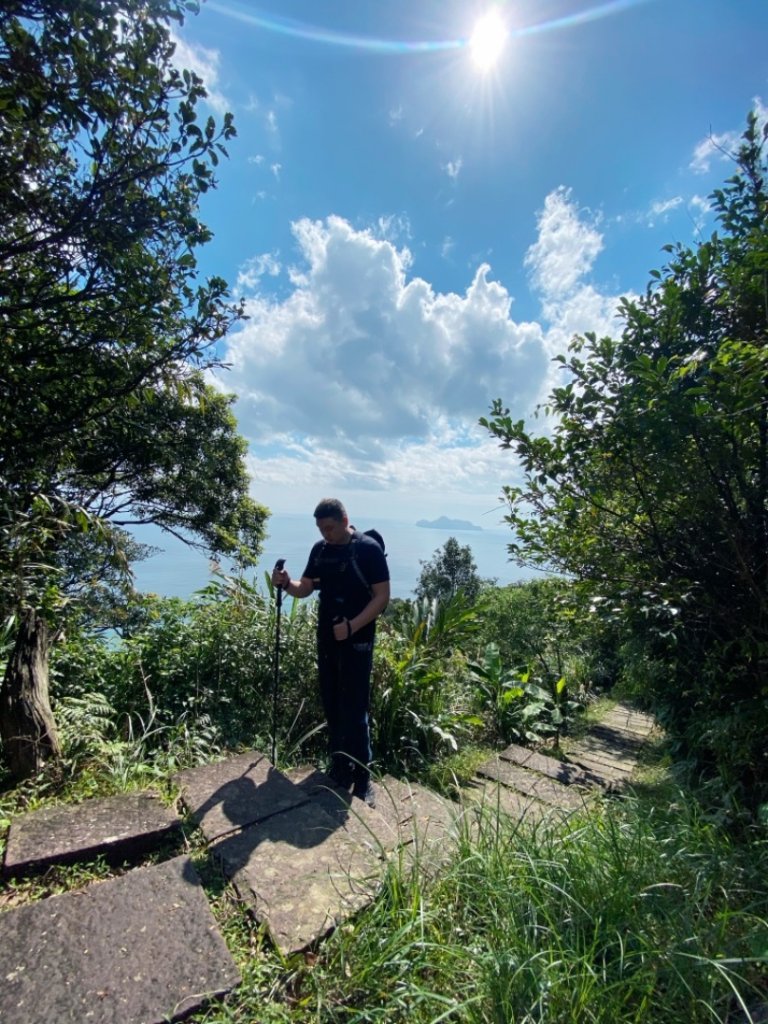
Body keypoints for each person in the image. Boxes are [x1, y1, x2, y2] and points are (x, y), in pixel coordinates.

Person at [272, 498, 390, 806]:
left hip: (357, 639)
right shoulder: (321, 550)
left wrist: (352, 626)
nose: (326, 534)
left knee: (355, 707)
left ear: (344, 520)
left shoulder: (368, 550)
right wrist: (286, 584)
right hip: (327, 636)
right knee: (332, 702)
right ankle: (340, 767)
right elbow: (307, 587)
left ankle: (363, 778)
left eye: (330, 528)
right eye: (321, 528)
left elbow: (382, 597)